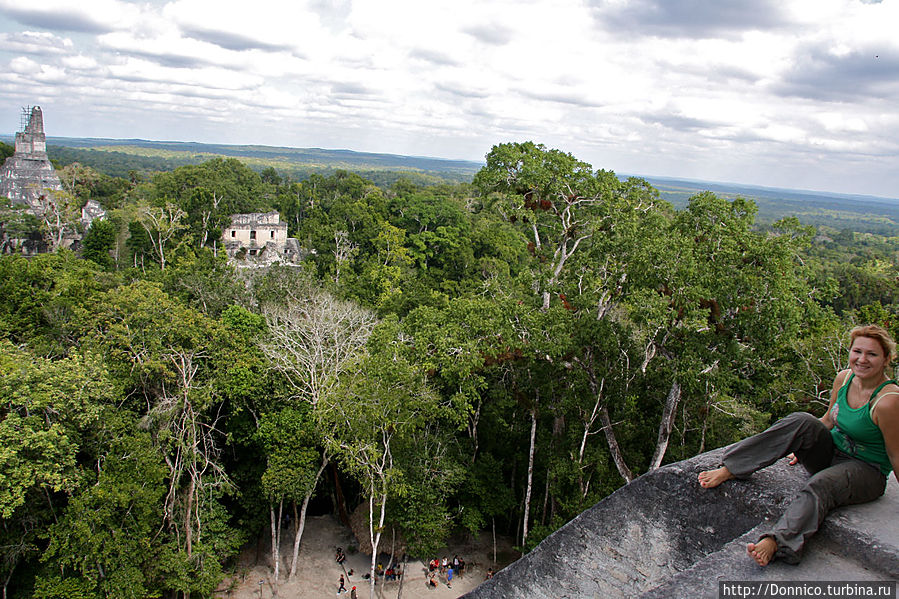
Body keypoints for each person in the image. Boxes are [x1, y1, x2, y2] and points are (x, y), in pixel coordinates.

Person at [698, 325, 899, 566]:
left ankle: (778, 541)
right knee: (801, 420)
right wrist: (800, 443)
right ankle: (732, 467)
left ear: (887, 359)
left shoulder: (888, 401)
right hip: (832, 454)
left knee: (820, 484)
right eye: (857, 351)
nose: (862, 359)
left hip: (866, 470)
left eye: (872, 354)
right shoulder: (844, 379)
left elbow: (896, 454)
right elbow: (827, 420)